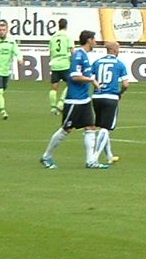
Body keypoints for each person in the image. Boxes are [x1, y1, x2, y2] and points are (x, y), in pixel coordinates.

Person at [40, 30, 106, 169]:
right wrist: (91, 80)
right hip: (74, 100)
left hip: (84, 99)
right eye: (94, 39)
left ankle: (91, 161)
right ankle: (46, 156)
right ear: (89, 40)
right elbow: (75, 76)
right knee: (66, 129)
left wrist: (93, 80)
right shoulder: (78, 55)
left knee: (90, 127)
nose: (95, 42)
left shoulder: (84, 55)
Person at [89, 40, 130, 166]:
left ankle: (109, 156)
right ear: (114, 50)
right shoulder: (119, 64)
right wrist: (120, 93)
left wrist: (98, 86)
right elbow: (126, 84)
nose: (119, 51)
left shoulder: (97, 62)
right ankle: (94, 158)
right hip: (111, 98)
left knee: (102, 126)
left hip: (97, 97)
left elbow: (91, 77)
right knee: (106, 128)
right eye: (118, 49)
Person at [46, 17, 72, 113]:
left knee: (54, 87)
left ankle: (53, 108)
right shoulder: (67, 36)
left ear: (58, 26)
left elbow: (50, 51)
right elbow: (72, 50)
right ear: (66, 26)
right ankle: (61, 103)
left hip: (55, 64)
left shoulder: (53, 37)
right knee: (70, 84)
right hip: (65, 63)